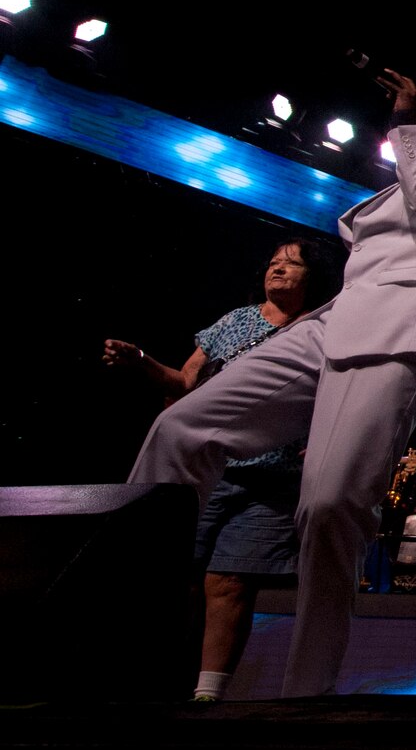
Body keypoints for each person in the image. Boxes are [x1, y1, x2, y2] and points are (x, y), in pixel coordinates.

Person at [127, 71, 416, 696]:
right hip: (334, 320)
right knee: (181, 426)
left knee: (329, 507)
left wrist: (407, 119)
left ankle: (306, 689)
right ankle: (126, 606)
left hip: (402, 327)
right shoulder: (399, 178)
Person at [104, 235, 344, 701]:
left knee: (230, 582)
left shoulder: (322, 332)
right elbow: (184, 381)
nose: (277, 270)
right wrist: (140, 361)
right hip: (208, 473)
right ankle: (151, 679)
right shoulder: (236, 321)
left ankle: (208, 696)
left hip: (273, 481)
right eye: (273, 262)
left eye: (292, 265)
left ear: (314, 277)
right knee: (175, 577)